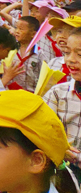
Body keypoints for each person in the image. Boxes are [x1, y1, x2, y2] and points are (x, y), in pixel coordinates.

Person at [43, 25, 81, 180]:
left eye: (79, 54)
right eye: (66, 52)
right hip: (67, 174)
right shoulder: (58, 94)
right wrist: (59, 148)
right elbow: (42, 129)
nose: (70, 59)